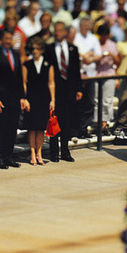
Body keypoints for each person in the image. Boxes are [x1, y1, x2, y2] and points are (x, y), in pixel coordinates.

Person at [0, 27, 25, 168]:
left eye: (11, 39)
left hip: (14, 98)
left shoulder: (15, 55)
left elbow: (19, 77)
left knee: (11, 128)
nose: (8, 41)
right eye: (6, 38)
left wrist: (22, 96)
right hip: (1, 98)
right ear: (2, 39)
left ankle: (8, 156)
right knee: (0, 128)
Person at [47, 21, 83, 162]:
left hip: (69, 90)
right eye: (55, 30)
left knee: (66, 122)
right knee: (53, 121)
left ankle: (65, 151)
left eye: (60, 30)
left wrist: (78, 89)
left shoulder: (72, 49)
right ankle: (54, 152)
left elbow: (76, 71)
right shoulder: (49, 49)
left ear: (65, 32)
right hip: (55, 90)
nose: (58, 33)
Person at [21, 36, 56, 166]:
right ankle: (31, 154)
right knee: (32, 128)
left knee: (41, 128)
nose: (34, 51)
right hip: (31, 98)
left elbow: (51, 83)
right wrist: (24, 98)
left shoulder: (48, 64)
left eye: (37, 48)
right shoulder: (27, 64)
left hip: (44, 98)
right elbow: (24, 83)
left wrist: (52, 99)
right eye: (33, 49)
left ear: (41, 49)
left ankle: (39, 153)